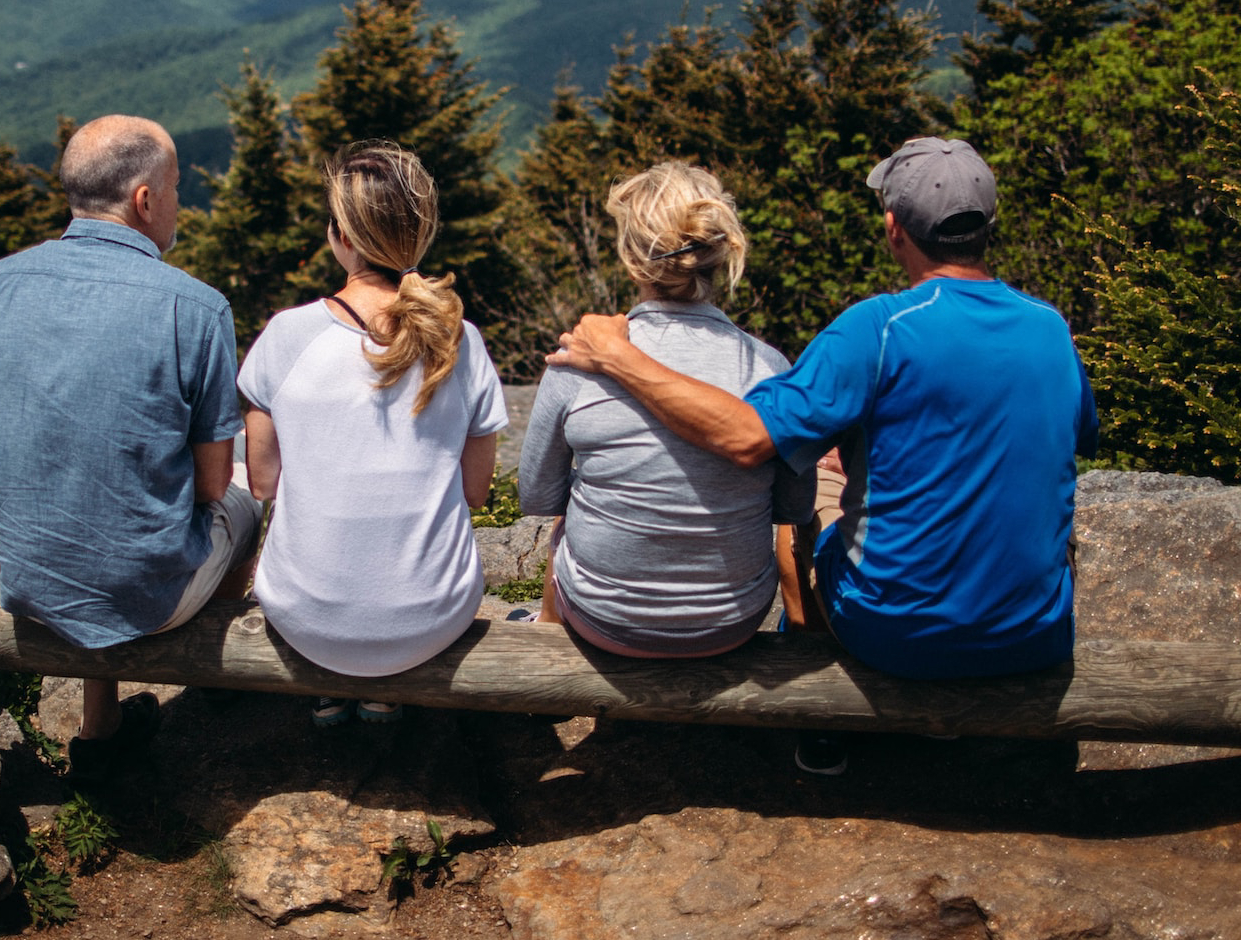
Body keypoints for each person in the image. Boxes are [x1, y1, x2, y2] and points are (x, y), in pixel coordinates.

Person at [547, 137, 1098, 775]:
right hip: (1033, 634)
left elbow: (749, 437)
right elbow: (1069, 436)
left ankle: (820, 719)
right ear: (987, 225)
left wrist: (618, 356)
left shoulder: (877, 328)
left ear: (894, 229)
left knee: (807, 498)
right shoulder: (1050, 327)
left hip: (895, 634)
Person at [0, 114, 259, 775]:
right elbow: (213, 487)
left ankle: (101, 721)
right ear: (145, 199)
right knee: (246, 508)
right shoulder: (197, 307)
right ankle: (217, 678)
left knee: (89, 483)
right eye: (178, 186)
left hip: (29, 581)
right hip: (151, 600)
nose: (179, 202)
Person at [237, 141, 507, 726]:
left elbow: (263, 483)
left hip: (307, 619)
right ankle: (387, 691)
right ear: (419, 236)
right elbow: (476, 491)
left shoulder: (286, 336)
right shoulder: (462, 340)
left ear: (342, 236)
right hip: (432, 618)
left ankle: (331, 687)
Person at [518, 163, 816, 658]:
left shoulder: (579, 361)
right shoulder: (770, 367)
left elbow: (538, 494)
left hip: (604, 620)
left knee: (568, 516)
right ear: (718, 256)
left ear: (633, 264)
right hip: (733, 620)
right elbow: (793, 507)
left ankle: (545, 631)